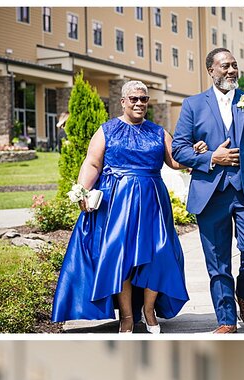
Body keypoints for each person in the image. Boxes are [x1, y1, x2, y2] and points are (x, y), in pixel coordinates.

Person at [51, 80, 197, 334]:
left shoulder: (158, 131)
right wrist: (82, 192)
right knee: (122, 259)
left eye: (144, 99)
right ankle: (127, 317)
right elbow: (92, 163)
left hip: (152, 201)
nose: (140, 103)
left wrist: (194, 154)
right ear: (123, 102)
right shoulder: (107, 130)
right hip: (117, 203)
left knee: (159, 255)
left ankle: (149, 311)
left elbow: (174, 161)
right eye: (134, 99)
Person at [172, 48, 244, 334]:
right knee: (217, 259)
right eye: (225, 66)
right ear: (211, 70)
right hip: (211, 193)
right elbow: (179, 149)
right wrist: (211, 158)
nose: (231, 70)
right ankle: (226, 319)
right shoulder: (193, 105)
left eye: (234, 65)